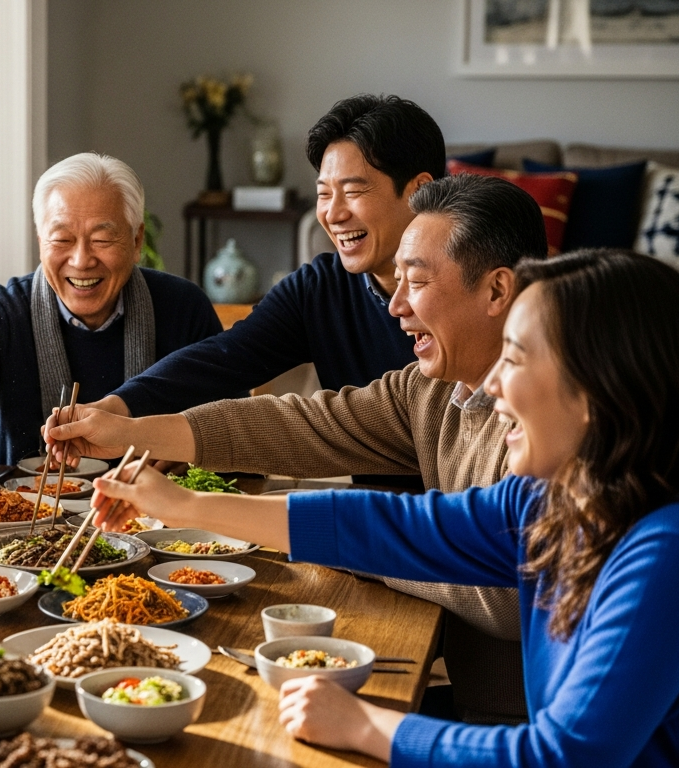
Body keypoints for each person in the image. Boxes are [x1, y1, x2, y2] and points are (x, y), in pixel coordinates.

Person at [87, 249, 679, 767]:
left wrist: (363, 724)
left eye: (513, 359)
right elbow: (386, 525)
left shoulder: (668, 551)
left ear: (595, 393)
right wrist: (185, 504)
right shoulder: (553, 501)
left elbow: (560, 757)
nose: (490, 386)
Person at [49, 172, 548, 723]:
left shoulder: (550, 422)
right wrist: (131, 431)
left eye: (419, 281)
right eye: (398, 281)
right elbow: (302, 424)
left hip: (519, 725)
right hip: (469, 708)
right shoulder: (429, 391)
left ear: (497, 291)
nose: (396, 306)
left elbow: (506, 595)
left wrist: (337, 545)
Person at [81, 94, 435, 423]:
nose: (333, 214)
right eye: (325, 194)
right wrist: (117, 406)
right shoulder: (319, 290)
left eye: (353, 191)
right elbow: (225, 357)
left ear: (419, 191)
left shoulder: (463, 288)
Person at [0, 152, 221, 467]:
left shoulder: (184, 308)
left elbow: (225, 418)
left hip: (160, 501)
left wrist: (186, 454)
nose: (81, 261)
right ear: (41, 241)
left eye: (101, 240)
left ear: (136, 241)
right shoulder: (2, 313)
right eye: (62, 240)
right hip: (27, 501)